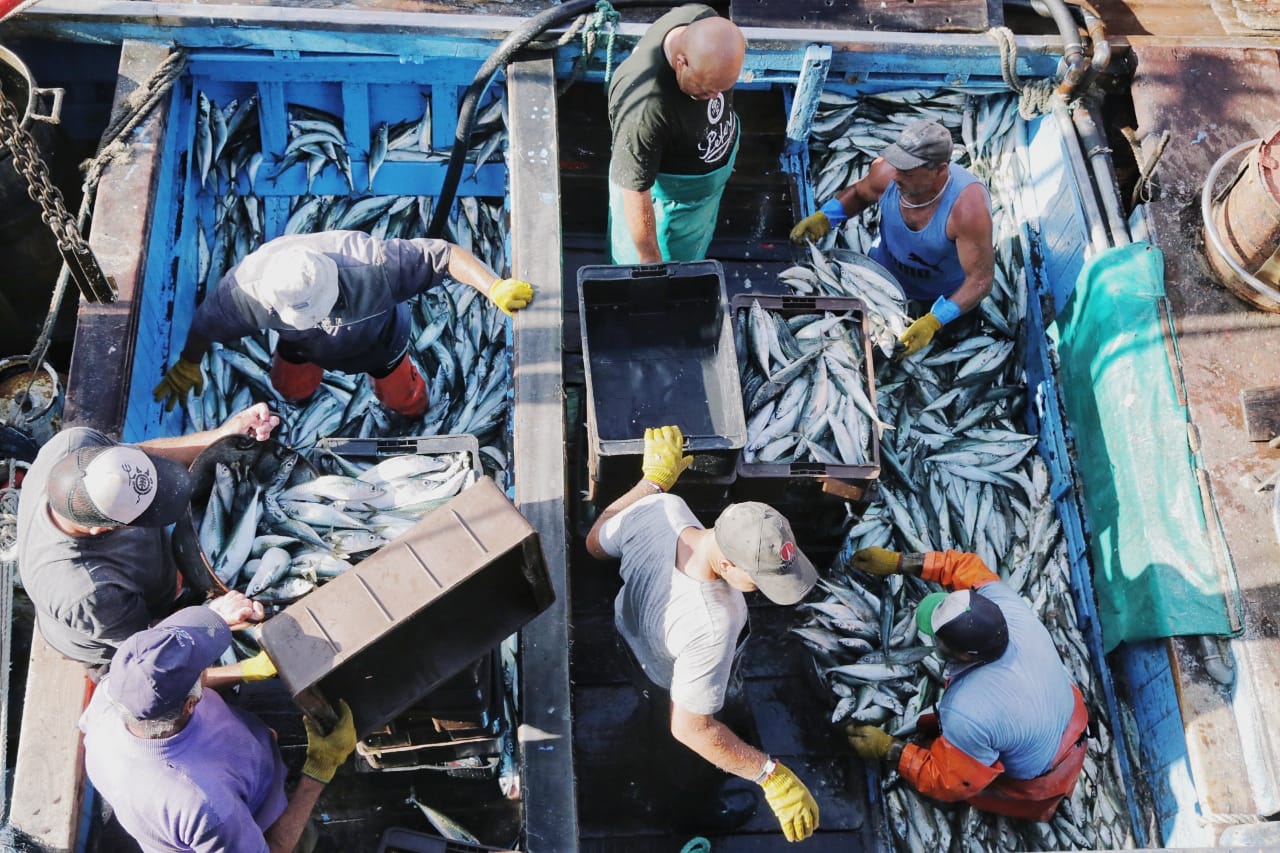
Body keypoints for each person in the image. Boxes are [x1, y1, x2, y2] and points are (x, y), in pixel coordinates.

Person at [585, 425, 821, 841]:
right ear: (728, 566)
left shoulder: (663, 508)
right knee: (684, 748)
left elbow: (595, 543)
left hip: (627, 636)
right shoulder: (717, 621)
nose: (766, 590)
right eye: (761, 579)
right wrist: (771, 774)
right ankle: (689, 810)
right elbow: (692, 729)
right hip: (665, 676)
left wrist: (652, 481)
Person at [16, 404, 280, 680]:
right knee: (156, 685)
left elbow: (141, 453)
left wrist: (223, 434)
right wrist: (212, 619)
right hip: (119, 638)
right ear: (99, 529)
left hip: (145, 587)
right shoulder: (88, 590)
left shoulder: (74, 444)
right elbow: (148, 643)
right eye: (144, 513)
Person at [152, 230, 534, 418]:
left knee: (405, 401)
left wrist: (493, 286)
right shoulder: (246, 290)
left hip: (381, 342)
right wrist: (189, 362)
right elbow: (206, 324)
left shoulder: (374, 264)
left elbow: (444, 255)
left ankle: (411, 413)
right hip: (302, 348)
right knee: (289, 389)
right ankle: (302, 404)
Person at [80, 605, 358, 852]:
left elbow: (168, 689)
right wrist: (319, 771)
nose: (205, 668)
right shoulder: (205, 806)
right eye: (201, 668)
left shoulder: (112, 695)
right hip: (259, 821)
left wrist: (249, 670)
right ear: (191, 705)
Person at [843, 547, 1089, 822]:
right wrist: (901, 562)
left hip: (1042, 770)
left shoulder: (967, 709)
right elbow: (965, 566)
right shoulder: (1004, 604)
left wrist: (889, 749)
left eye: (937, 638)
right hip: (1068, 713)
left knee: (969, 779)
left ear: (962, 655)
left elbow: (948, 782)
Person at [790, 119, 994, 357]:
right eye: (897, 164)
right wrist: (827, 217)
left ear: (940, 170)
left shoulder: (967, 210)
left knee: (944, 339)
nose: (896, 176)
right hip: (881, 273)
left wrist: (937, 320)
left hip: (941, 292)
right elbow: (858, 193)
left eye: (907, 171)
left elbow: (981, 279)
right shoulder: (886, 173)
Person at [607, 5, 745, 264]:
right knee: (654, 269)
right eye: (706, 91)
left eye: (723, 89)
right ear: (681, 63)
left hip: (705, 192)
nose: (714, 98)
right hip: (667, 209)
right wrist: (650, 258)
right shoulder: (644, 109)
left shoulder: (702, 17)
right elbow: (634, 190)